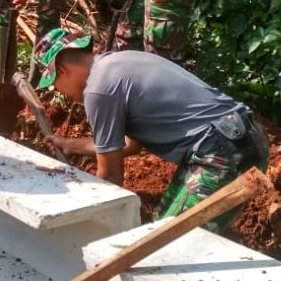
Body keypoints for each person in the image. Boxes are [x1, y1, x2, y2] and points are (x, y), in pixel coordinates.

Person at [35, 28, 269, 230]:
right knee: (161, 227)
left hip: (218, 153)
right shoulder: (118, 63)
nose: (59, 91)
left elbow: (110, 176)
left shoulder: (97, 91)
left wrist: (82, 221)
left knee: (168, 245)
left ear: (62, 71)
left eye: (55, 84)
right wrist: (69, 144)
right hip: (241, 137)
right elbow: (131, 144)